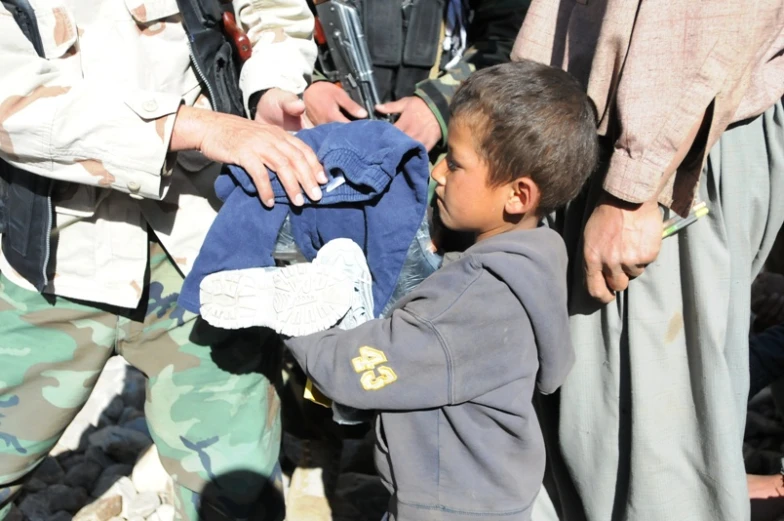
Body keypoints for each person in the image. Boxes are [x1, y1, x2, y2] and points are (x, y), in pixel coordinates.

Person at [0, 0, 323, 519]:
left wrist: (271, 85)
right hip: (53, 261)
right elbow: (12, 100)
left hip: (201, 248)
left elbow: (275, 11)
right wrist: (194, 127)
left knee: (238, 499)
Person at [278, 60, 599, 521]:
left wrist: (289, 305)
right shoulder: (535, 259)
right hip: (483, 499)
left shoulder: (474, 300)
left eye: (457, 161)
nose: (438, 171)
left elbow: (355, 371)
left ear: (518, 195)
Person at [510, 2, 784, 520]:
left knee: (655, 469)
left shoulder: (641, 173)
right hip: (625, 138)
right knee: (590, 450)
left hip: (666, 151)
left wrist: (636, 190)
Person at [303, 0, 529, 152]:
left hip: (440, 154)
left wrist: (439, 104)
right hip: (312, 139)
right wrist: (306, 86)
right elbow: (275, 18)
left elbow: (512, 40)